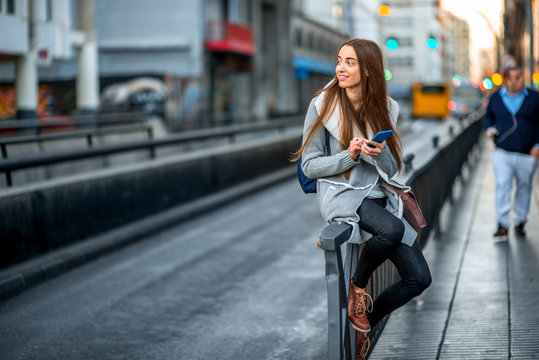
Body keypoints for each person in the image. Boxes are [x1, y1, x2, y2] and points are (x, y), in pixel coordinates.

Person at [293, 38, 431, 359]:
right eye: (339, 60)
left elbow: (394, 166)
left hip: (380, 194)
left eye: (350, 62)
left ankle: (366, 319)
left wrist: (379, 153)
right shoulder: (323, 105)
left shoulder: (386, 107)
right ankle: (358, 288)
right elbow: (309, 166)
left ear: (368, 70)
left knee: (419, 278)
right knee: (393, 230)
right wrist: (350, 156)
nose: (340, 67)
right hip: (341, 193)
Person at [483, 66, 539, 240]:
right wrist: (490, 129)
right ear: (508, 81)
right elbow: (487, 117)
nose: (521, 79)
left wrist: (538, 145)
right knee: (502, 185)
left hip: (527, 153)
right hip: (502, 151)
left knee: (524, 187)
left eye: (521, 76)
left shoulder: (534, 97)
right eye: (517, 77)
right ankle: (503, 224)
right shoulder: (496, 98)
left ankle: (520, 222)